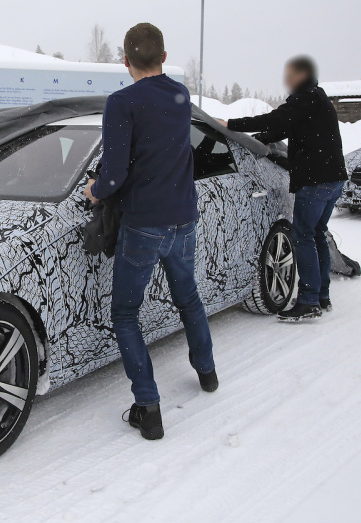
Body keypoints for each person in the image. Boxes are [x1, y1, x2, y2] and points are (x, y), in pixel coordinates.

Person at [83, 23, 217, 441]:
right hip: (184, 218)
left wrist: (95, 190)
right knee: (188, 297)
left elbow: (115, 173)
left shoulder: (122, 102)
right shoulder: (180, 96)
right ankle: (207, 372)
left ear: (125, 61)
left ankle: (148, 407)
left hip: (144, 223)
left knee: (125, 313)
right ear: (163, 57)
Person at [220, 56, 347, 321]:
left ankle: (309, 300)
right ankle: (321, 295)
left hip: (316, 181)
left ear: (302, 75)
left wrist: (230, 125)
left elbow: (274, 119)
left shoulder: (304, 99)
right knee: (317, 233)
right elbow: (286, 127)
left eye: (290, 75)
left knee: (303, 236)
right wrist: (261, 139)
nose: (287, 80)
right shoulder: (317, 98)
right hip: (332, 178)